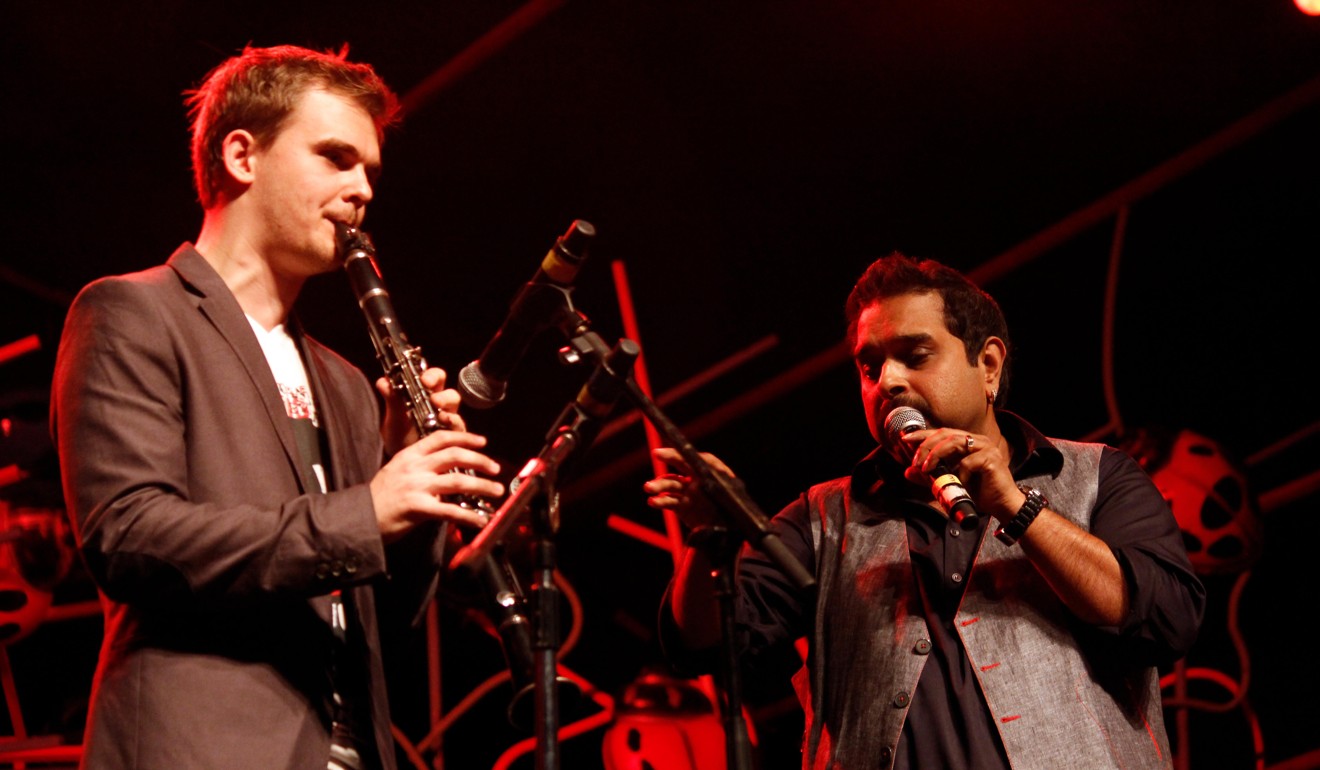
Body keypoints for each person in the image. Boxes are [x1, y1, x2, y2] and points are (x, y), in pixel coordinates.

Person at [50, 44, 504, 770]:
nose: (363, 189)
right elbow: (130, 538)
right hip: (202, 749)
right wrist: (369, 511)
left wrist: (412, 495)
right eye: (335, 157)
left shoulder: (348, 383)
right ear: (241, 156)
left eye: (371, 171)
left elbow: (372, 616)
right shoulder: (133, 313)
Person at [644, 252, 1206, 769]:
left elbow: (1165, 619)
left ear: (988, 365)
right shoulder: (821, 518)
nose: (887, 381)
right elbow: (703, 646)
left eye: (914, 356)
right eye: (869, 368)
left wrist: (1015, 505)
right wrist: (707, 542)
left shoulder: (1097, 475)